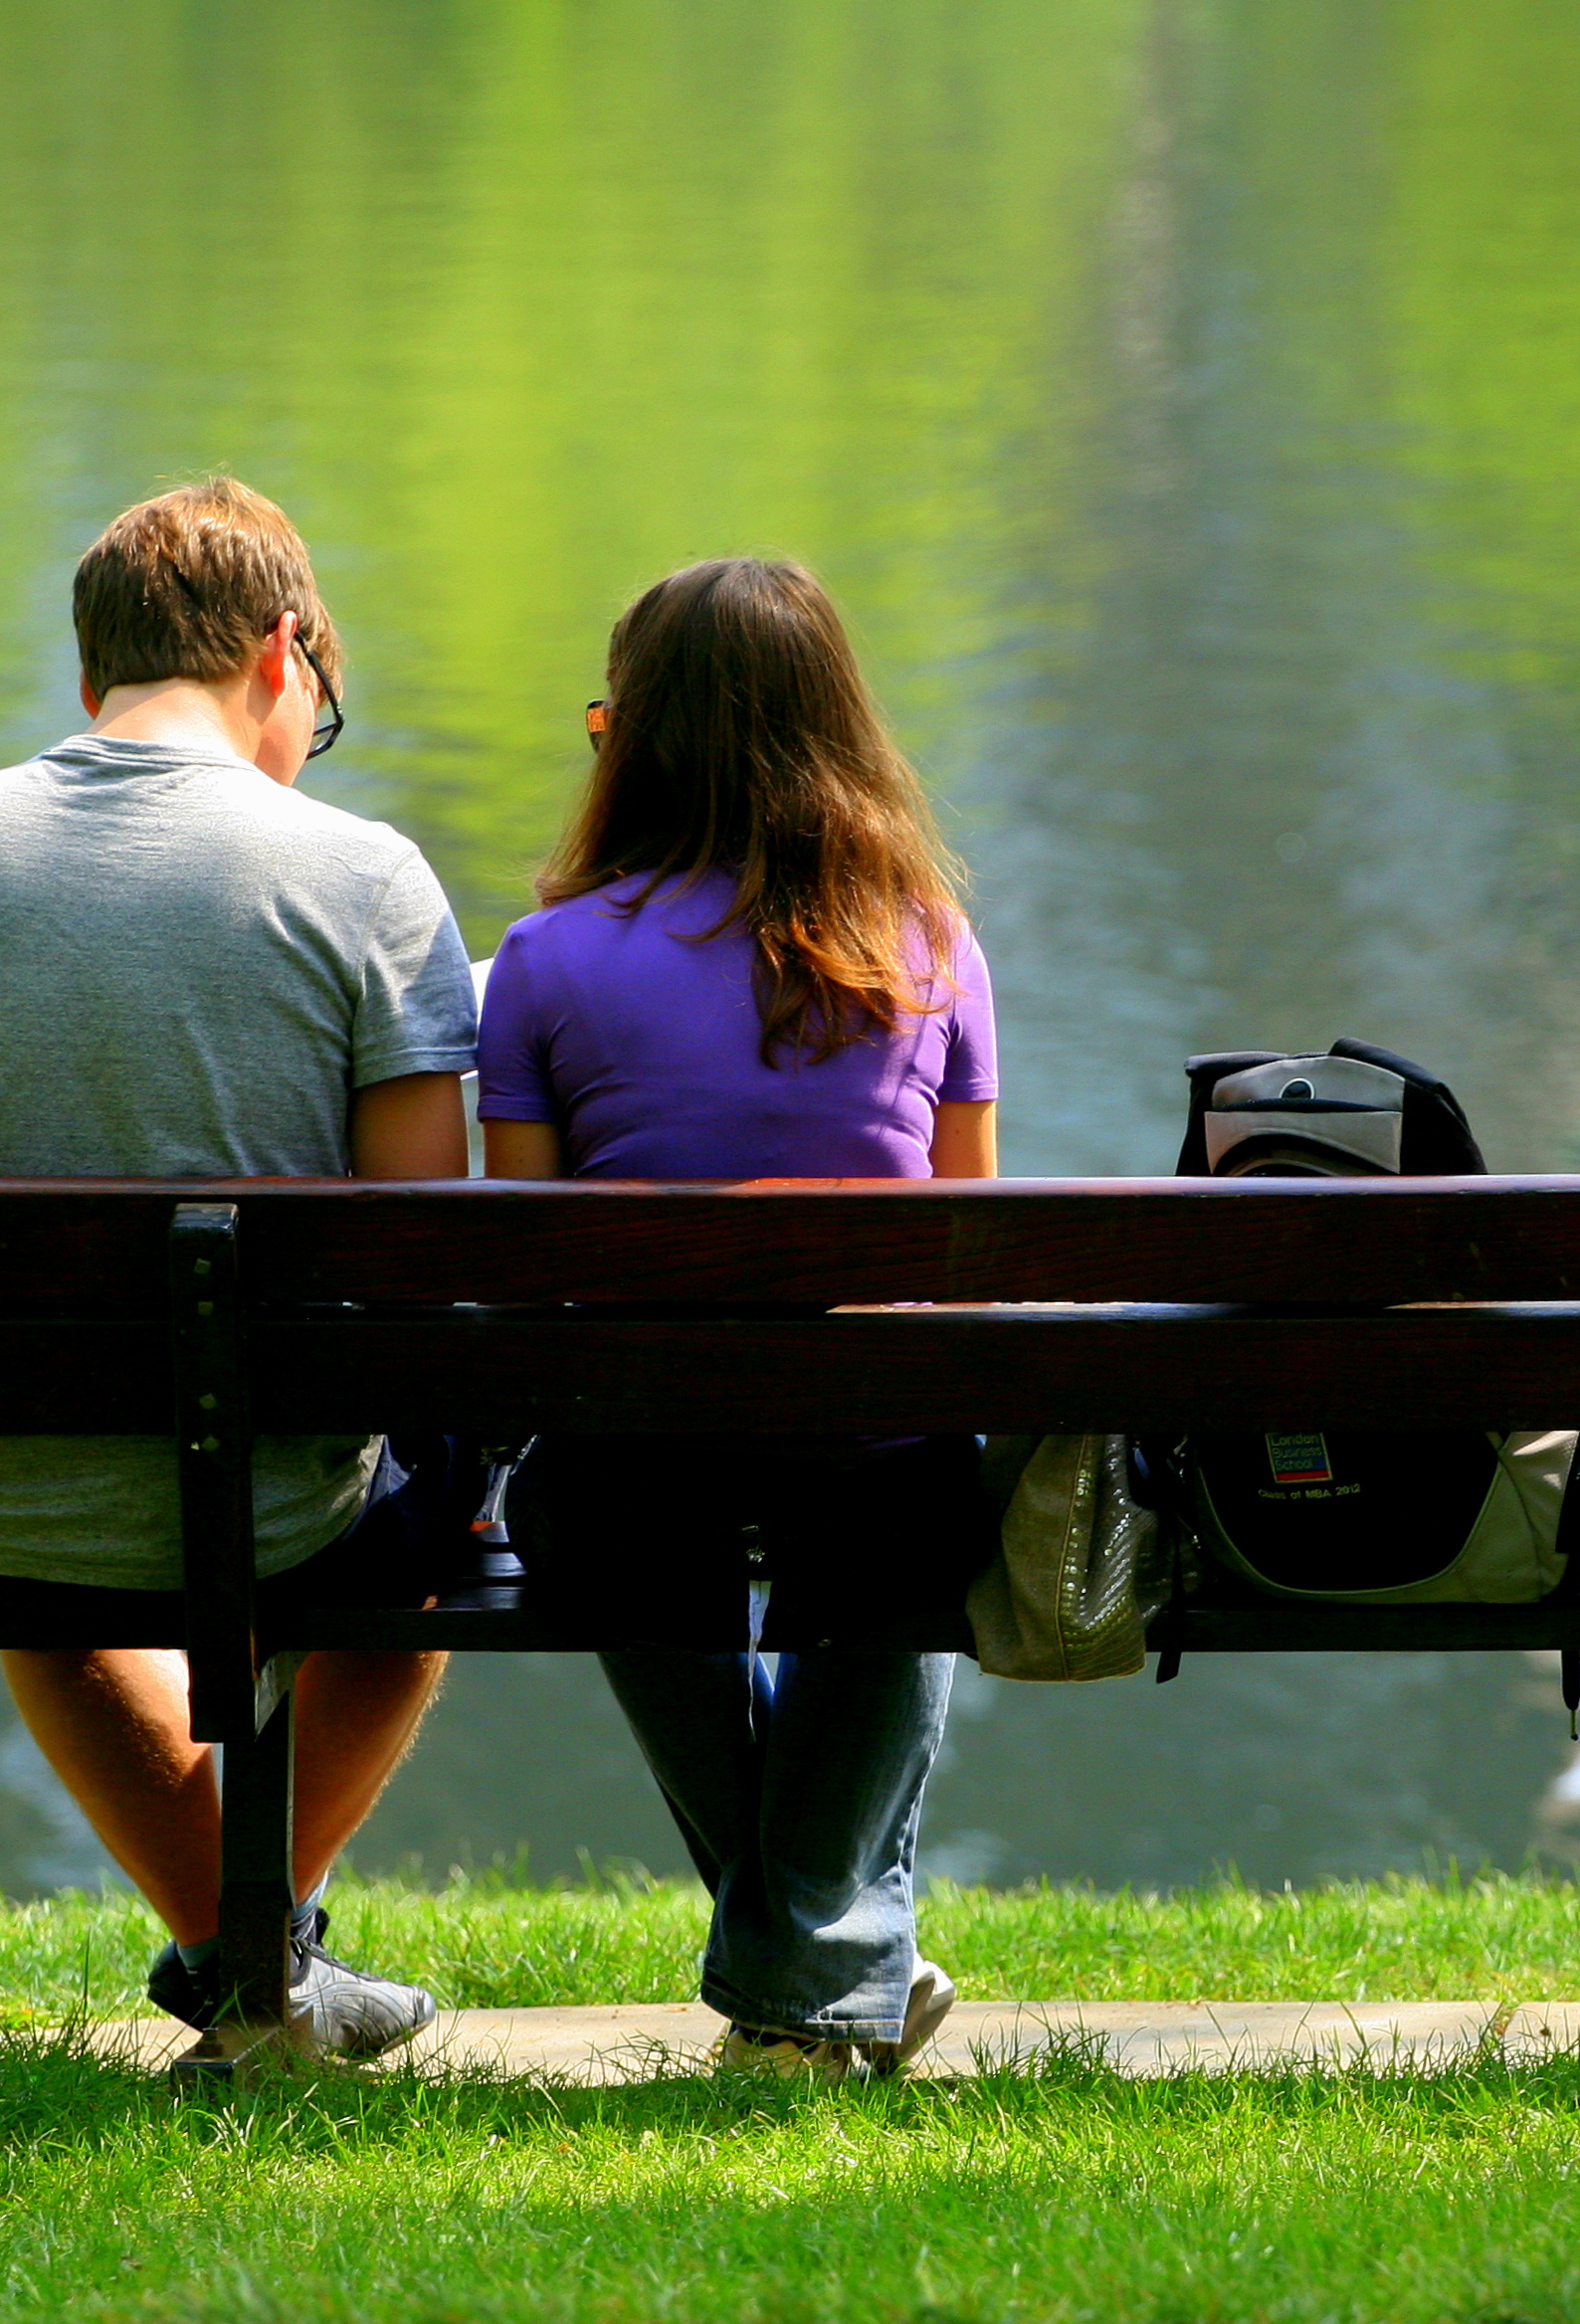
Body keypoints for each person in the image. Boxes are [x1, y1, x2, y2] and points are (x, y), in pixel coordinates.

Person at [0, 478, 480, 2056]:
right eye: (321, 709)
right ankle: (264, 1951)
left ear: (92, 675)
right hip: (291, 1508)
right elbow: (420, 1259)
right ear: (284, 654)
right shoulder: (369, 879)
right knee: (443, 1522)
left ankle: (248, 1967)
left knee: (39, 1524)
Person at [478, 555, 998, 2081]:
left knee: (604, 1515)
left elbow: (528, 1270)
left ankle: (809, 1985)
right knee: (901, 1518)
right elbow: (966, 1253)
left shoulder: (544, 961)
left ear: (631, 745)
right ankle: (834, 1971)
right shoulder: (929, 939)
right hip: (882, 1470)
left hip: (629, 1475)